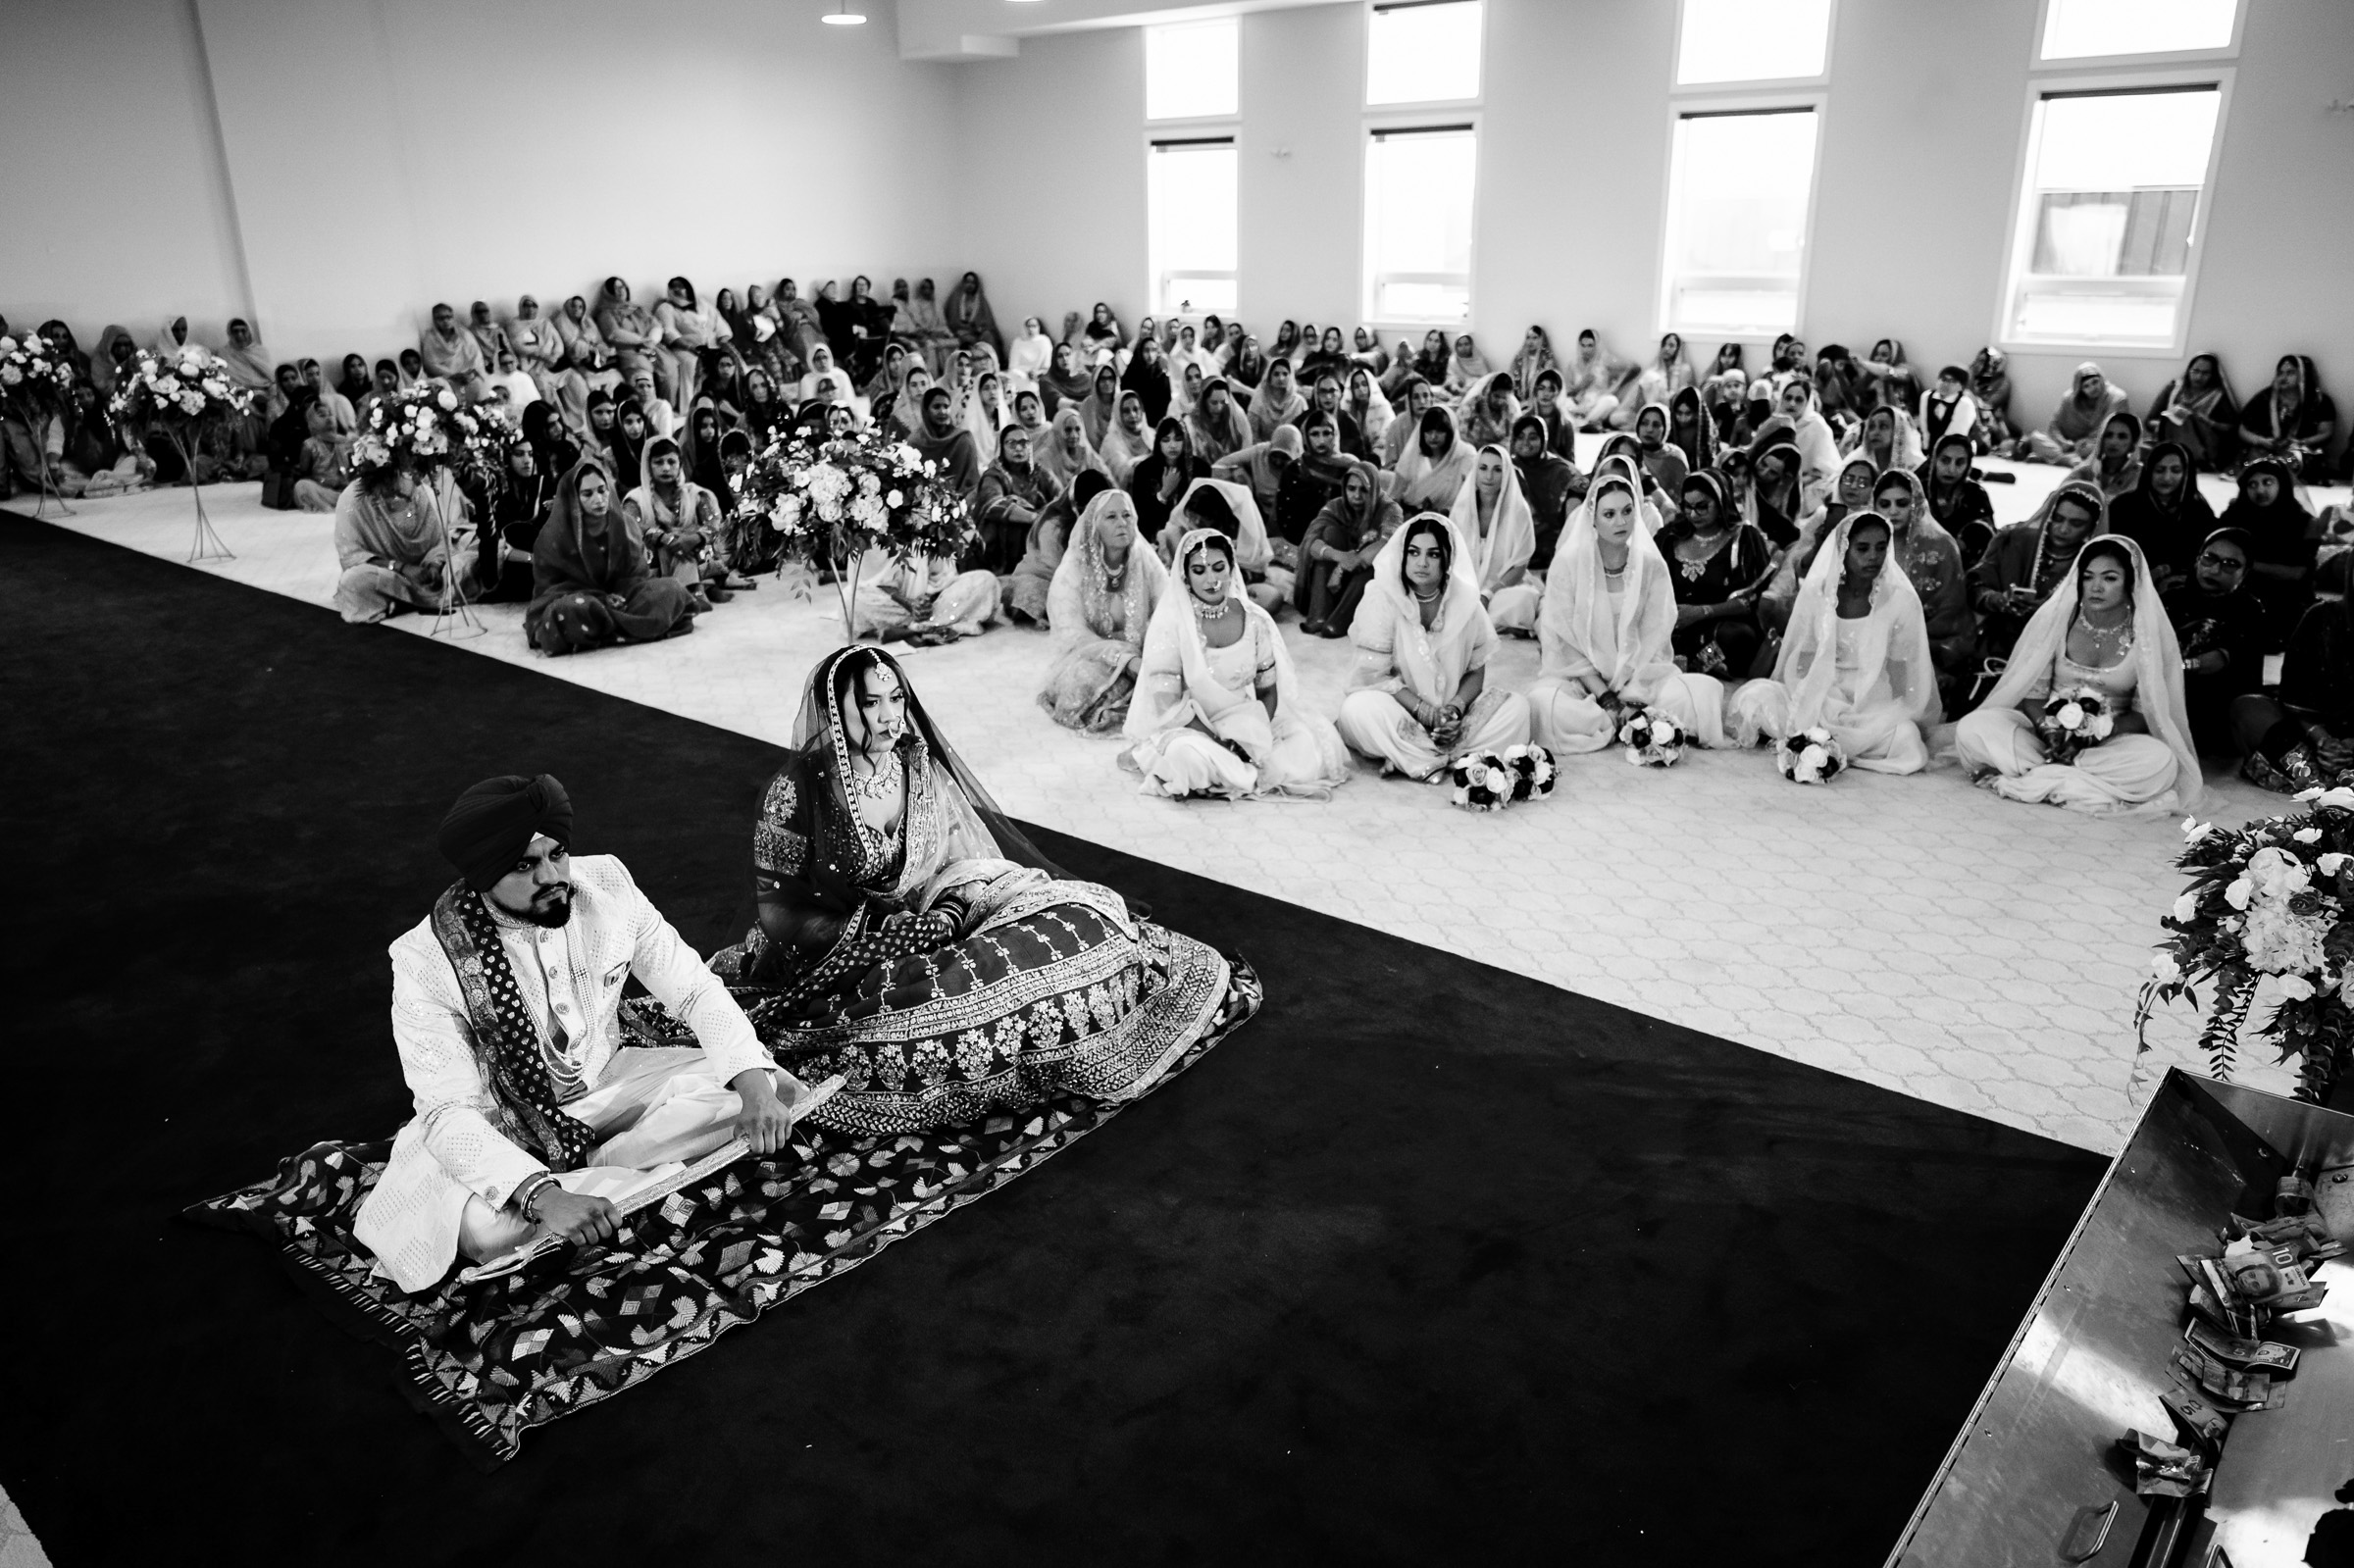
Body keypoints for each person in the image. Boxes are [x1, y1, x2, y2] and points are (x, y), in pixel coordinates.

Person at [712, 644, 1237, 1134]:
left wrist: (951, 909)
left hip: (933, 915)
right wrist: (884, 930)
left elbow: (958, 853)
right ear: (834, 710)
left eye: (897, 698)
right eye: (871, 703)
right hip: (839, 954)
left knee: (1085, 912)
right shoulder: (796, 790)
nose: (890, 715)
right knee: (959, 1005)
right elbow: (779, 915)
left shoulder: (914, 763)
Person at [341, 774, 820, 1290]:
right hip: (501, 1126)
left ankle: (613, 1171)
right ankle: (624, 1180)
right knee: (484, 1230)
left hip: (608, 1084)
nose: (552, 875)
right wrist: (543, 1198)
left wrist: (750, 1084)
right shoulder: (425, 961)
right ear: (483, 874)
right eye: (525, 865)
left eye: (557, 853)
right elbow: (445, 1113)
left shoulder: (609, 886)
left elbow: (694, 990)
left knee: (770, 1089)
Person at [1954, 536, 2201, 814]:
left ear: (2130, 583)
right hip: (2045, 736)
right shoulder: (2059, 621)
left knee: (2161, 762)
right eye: (2088, 577)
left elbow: (2144, 714)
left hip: (2110, 741)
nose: (2096, 587)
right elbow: (2033, 695)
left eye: (2109, 578)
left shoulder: (2144, 635)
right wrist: (2051, 733)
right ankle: (2072, 780)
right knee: (1973, 728)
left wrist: (2095, 734)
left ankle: (2042, 776)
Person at [1122, 530, 1349, 800]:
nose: (1212, 580)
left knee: (1307, 743)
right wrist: (1219, 741)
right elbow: (1167, 704)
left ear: (1232, 567)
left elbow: (1267, 691)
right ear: (1185, 576)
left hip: (1244, 724)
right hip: (1189, 727)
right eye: (1199, 570)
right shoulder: (1172, 625)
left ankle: (1229, 776)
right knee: (1186, 757)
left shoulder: (1255, 620)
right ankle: (1235, 773)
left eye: (1219, 568)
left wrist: (1252, 736)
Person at [1526, 471, 1728, 753]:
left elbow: (1654, 640)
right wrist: (1606, 696)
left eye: (1627, 511)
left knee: (1700, 692)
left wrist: (1633, 696)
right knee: (1543, 704)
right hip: (1583, 680)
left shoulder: (1650, 566)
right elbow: (1564, 643)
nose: (1621, 522)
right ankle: (1624, 721)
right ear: (1592, 519)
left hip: (1641, 680)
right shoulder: (1568, 565)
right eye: (1609, 514)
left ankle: (1629, 717)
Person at [1730, 513, 1939, 774]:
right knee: (1755, 698)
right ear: (1844, 549)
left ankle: (1826, 742)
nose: (1874, 556)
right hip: (1821, 688)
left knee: (1906, 738)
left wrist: (1899, 711)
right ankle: (1822, 739)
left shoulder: (1901, 600)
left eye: (1881, 547)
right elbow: (1803, 656)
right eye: (1863, 548)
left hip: (1870, 700)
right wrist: (1809, 698)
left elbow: (1900, 667)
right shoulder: (1819, 592)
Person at [1336, 514, 1533, 781]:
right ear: (1403, 556)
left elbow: (1476, 671)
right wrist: (1425, 712)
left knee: (1518, 709)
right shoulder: (1382, 599)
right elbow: (1374, 676)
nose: (1422, 563)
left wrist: (1454, 709)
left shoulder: (1466, 601)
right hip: (1400, 712)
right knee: (1356, 710)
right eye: (1414, 553)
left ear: (1447, 559)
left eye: (1433, 554)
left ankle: (1416, 755)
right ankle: (1442, 756)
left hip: (1453, 719)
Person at [526, 456, 699, 653]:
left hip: (623, 597)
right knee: (569, 610)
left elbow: (636, 573)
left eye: (602, 490)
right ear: (574, 497)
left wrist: (619, 594)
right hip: (582, 601)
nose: (598, 500)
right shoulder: (555, 535)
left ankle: (600, 630)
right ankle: (629, 626)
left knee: (671, 589)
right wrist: (599, 598)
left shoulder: (625, 524)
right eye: (587, 494)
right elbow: (551, 587)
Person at [1039, 488, 1168, 733]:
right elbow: (1071, 633)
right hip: (1091, 657)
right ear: (1093, 525)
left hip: (1143, 652)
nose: (1122, 524)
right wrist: (1124, 658)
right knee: (1080, 684)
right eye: (1111, 517)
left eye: (1127, 516)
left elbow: (1168, 610)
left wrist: (1153, 651)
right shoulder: (1073, 570)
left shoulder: (1145, 560)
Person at [2233, 584, 2354, 791]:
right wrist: (2323, 740)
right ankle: (2319, 778)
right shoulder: (2321, 616)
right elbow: (2295, 693)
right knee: (2248, 709)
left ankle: (2317, 781)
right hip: (2312, 733)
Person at [1972, 479, 2105, 663]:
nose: (2063, 529)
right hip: (1998, 645)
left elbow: (2101, 619)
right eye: (2058, 519)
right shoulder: (2016, 541)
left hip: (2060, 654)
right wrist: (1997, 600)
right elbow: (1976, 582)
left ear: (2092, 528)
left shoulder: (2095, 566)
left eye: (2076, 524)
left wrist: (2054, 613)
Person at [2157, 529, 2264, 754]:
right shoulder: (2171, 600)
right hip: (2167, 698)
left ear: (2244, 573)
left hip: (2216, 708)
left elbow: (2218, 661)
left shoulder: (2248, 609)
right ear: (2197, 560)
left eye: (2230, 564)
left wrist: (2178, 667)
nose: (2215, 570)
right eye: (2209, 558)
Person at [1657, 471, 1772, 679]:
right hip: (1674, 624)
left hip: (1718, 626)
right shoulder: (1670, 537)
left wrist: (1702, 612)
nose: (1693, 514)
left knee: (1737, 636)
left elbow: (1750, 600)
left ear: (1721, 503)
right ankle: (1684, 663)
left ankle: (1698, 665)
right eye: (1688, 506)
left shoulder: (1743, 539)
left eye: (1702, 506)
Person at [333, 461, 462, 624]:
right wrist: (402, 568)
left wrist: (434, 566)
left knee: (465, 564)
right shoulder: (354, 497)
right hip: (390, 573)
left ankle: (402, 599)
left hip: (427, 574)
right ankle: (414, 598)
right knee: (353, 580)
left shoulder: (420, 490)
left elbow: (440, 541)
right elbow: (351, 555)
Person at [2219, 455, 2318, 644]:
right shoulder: (2235, 515)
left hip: (2285, 597)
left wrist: (2248, 565)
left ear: (2282, 485)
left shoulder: (2303, 522)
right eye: (2252, 485)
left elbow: (2297, 573)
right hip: (2241, 591)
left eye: (2268, 482)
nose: (2260, 490)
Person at [1447, 443, 1539, 633]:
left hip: (1501, 590)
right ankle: (1493, 623)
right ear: (1475, 471)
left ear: (1506, 474)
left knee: (1524, 599)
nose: (1489, 477)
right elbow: (1451, 557)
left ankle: (1477, 621)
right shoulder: (1461, 509)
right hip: (1465, 589)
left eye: (1497, 470)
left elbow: (1520, 565)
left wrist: (1488, 594)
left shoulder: (1518, 511)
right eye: (1483, 468)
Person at [2105, 439, 2216, 590]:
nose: (2166, 478)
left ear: (2186, 474)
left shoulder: (2199, 510)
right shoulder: (2124, 506)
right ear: (2148, 471)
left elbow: (2205, 558)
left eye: (2176, 470)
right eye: (2159, 470)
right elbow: (2111, 553)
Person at [975, 422, 1060, 578]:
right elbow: (993, 505)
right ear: (1001, 448)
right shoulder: (994, 475)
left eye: (1023, 443)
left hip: (1038, 544)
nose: (1019, 448)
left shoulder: (1039, 474)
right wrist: (1033, 517)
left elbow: (1060, 499)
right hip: (999, 553)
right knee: (1014, 511)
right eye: (1011, 443)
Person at [2237, 354, 2337, 483]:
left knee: (2293, 460)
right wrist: (2260, 441)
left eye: (2290, 373)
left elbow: (2326, 433)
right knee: (2256, 460)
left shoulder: (2319, 400)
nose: (2283, 378)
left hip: (2301, 450)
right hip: (2267, 448)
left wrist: (2300, 443)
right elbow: (2242, 429)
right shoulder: (2266, 397)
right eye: (2280, 373)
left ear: (2303, 374)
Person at [2016, 363, 2128, 465]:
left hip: (2096, 444)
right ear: (2079, 389)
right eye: (2086, 386)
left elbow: (2112, 429)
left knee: (2108, 449)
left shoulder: (2117, 398)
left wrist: (2088, 442)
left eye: (2095, 382)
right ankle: (2068, 460)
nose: (2093, 388)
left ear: (2102, 380)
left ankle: (2054, 458)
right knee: (2036, 437)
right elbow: (2054, 426)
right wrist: (2063, 442)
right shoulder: (2069, 399)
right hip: (2069, 446)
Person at [2145, 352, 2237, 472]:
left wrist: (2206, 421)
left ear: (2213, 375)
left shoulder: (2217, 396)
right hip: (2168, 439)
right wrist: (2165, 423)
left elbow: (2231, 429)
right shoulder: (2174, 388)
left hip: (2201, 448)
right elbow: (2149, 421)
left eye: (2205, 373)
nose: (2199, 377)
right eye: (2195, 371)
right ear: (2189, 370)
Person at [1129, 417, 1212, 546]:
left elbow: (1207, 511)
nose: (1172, 445)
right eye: (1166, 440)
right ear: (1158, 442)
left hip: (1194, 536)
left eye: (1178, 439)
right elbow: (1141, 517)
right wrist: (1163, 494)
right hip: (1155, 539)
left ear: (1186, 441)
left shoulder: (1200, 469)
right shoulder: (1144, 471)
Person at [1919, 431, 1998, 569]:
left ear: (1968, 466)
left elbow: (1987, 539)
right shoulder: (1919, 491)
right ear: (1934, 460)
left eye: (1960, 463)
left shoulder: (1976, 495)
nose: (1951, 469)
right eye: (1945, 460)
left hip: (1963, 568)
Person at [1394, 405, 1475, 516]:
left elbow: (1471, 498)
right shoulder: (1413, 456)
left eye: (1439, 431)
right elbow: (1395, 494)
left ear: (1450, 431)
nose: (1433, 437)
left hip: (1452, 520)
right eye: (1428, 431)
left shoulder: (1465, 455)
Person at [907, 386, 983, 503]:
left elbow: (972, 483)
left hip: (960, 505)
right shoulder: (915, 442)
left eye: (946, 407)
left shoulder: (963, 439)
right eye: (936, 407)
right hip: (921, 506)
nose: (942, 411)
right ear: (926, 410)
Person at [2066, 411, 2144, 501]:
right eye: (2108, 435)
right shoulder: (2086, 471)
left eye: (2122, 437)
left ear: (2133, 443)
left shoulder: (2139, 476)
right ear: (2101, 439)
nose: (2113, 442)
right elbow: (2057, 498)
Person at [291, 400, 355, 513]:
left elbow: (353, 468)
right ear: (312, 422)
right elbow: (304, 471)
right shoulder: (309, 445)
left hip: (344, 489)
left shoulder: (344, 442)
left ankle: (343, 501)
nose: (329, 419)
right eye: (322, 415)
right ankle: (326, 506)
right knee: (301, 486)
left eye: (330, 414)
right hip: (322, 490)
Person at [419, 303, 490, 402]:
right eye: (441, 318)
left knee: (479, 384)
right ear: (434, 320)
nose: (445, 321)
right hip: (447, 379)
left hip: (468, 376)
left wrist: (471, 374)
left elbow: (477, 357)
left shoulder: (464, 334)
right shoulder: (430, 339)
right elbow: (430, 364)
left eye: (448, 317)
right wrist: (453, 375)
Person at [1561, 329, 1629, 430]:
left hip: (1597, 403)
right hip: (1578, 405)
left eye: (1590, 345)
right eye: (1583, 345)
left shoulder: (1605, 360)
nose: (1586, 350)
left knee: (1611, 401)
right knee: (1563, 402)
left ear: (1596, 346)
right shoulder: (1573, 365)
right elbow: (1566, 392)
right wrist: (1581, 386)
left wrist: (1617, 386)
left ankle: (1585, 424)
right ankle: (1581, 424)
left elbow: (1634, 368)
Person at [1188, 378, 1254, 465]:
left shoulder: (1237, 416)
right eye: (1214, 403)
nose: (1219, 408)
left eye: (1223, 402)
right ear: (1203, 401)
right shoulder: (1193, 422)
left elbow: (1246, 449)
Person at [902, 278, 960, 374]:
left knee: (954, 342)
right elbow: (916, 326)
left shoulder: (937, 304)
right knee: (931, 345)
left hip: (938, 334)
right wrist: (929, 332)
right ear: (920, 290)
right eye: (924, 288)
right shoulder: (914, 304)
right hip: (923, 336)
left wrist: (948, 333)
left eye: (929, 288)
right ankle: (934, 377)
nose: (927, 291)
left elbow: (943, 324)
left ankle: (949, 375)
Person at [944, 273, 1003, 362]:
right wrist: (965, 327)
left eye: (973, 283)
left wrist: (979, 327)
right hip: (961, 331)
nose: (970, 285)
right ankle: (975, 364)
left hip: (977, 331)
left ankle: (991, 363)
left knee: (988, 336)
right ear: (963, 283)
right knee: (968, 339)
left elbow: (988, 319)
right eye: (968, 282)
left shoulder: (980, 299)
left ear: (976, 285)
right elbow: (952, 320)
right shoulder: (955, 298)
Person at [1099, 390, 1152, 486]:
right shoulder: (1111, 442)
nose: (1133, 415)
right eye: (1126, 411)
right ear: (1118, 414)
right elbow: (1124, 474)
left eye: (1136, 409)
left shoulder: (1151, 435)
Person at [1918, 365, 1977, 450]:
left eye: (1952, 381)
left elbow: (1957, 434)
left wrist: (1938, 452)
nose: (1945, 384)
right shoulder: (1926, 396)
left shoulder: (1965, 404)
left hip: (1954, 447)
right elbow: (1924, 426)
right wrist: (1926, 448)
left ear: (1961, 386)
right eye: (1943, 379)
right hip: (1929, 446)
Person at [1970, 346, 2016, 453]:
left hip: (1991, 419)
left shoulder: (2003, 382)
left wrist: (1972, 398)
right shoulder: (1971, 377)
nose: (1980, 364)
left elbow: (1990, 404)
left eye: (1985, 361)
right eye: (1979, 360)